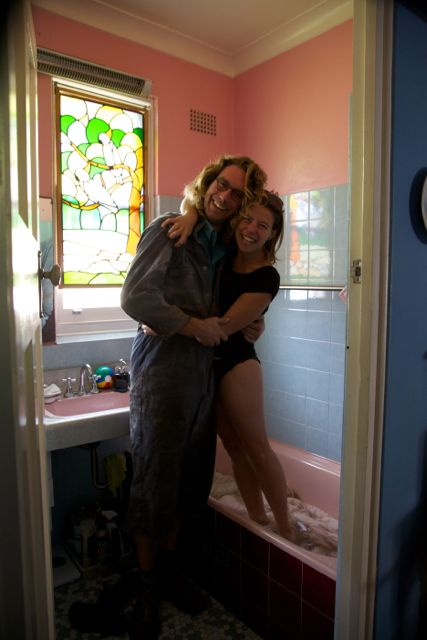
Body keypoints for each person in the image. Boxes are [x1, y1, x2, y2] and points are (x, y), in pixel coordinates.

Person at [120, 155, 267, 640]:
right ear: (207, 182)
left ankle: (168, 573)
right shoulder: (170, 231)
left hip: (204, 377)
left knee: (190, 481)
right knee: (154, 481)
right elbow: (135, 297)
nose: (224, 196)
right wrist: (188, 325)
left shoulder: (225, 246)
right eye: (221, 184)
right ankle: (146, 588)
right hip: (161, 374)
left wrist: (251, 324)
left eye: (236, 193)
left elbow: (233, 307)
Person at [167, 190, 292, 539]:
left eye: (263, 225)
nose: (251, 229)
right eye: (247, 219)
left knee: (258, 450)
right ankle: (259, 519)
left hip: (237, 365)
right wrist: (190, 215)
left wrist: (166, 322)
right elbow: (193, 203)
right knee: (235, 448)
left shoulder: (266, 276)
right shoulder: (222, 255)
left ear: (273, 233)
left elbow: (223, 327)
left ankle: (286, 529)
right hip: (207, 364)